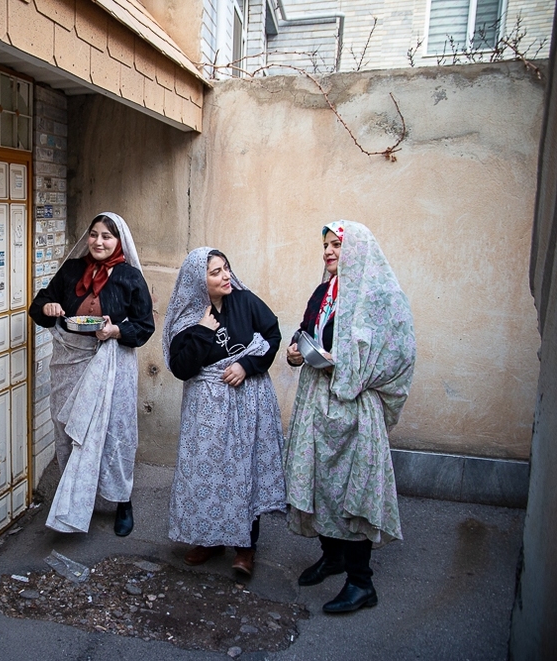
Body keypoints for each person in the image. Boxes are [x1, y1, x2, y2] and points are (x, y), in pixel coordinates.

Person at [284, 220, 416, 614]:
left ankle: (362, 584)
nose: (328, 252)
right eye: (325, 245)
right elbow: (312, 330)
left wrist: (346, 368)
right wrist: (297, 348)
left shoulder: (380, 297)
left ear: (357, 249)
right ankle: (333, 556)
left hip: (354, 408)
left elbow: (399, 354)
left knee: (350, 493)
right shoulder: (326, 291)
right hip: (318, 403)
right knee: (321, 482)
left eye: (337, 245)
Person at [29, 212, 154, 536]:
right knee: (67, 427)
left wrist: (115, 331)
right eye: (94, 234)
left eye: (107, 236)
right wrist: (48, 308)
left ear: (118, 241)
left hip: (112, 363)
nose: (99, 242)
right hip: (70, 360)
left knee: (116, 433)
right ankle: (74, 495)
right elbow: (40, 301)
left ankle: (121, 501)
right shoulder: (72, 270)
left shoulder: (130, 277)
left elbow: (144, 326)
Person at [163, 247, 287, 574]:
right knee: (206, 469)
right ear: (198, 280)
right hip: (205, 412)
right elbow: (181, 367)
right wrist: (203, 330)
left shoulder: (245, 302)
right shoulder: (188, 318)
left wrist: (247, 365)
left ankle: (245, 548)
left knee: (245, 470)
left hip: (246, 403)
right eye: (215, 272)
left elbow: (271, 335)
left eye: (226, 268)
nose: (225, 276)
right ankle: (209, 539)